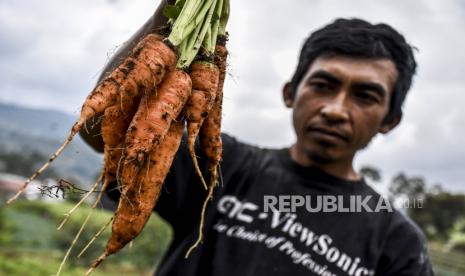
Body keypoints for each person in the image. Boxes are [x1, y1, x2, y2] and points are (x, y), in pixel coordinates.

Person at [81, 2, 435, 275]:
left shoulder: (398, 244)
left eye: (365, 96)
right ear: (290, 93)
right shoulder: (222, 165)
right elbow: (102, 129)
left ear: (390, 120)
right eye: (323, 85)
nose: (335, 110)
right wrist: (172, 8)